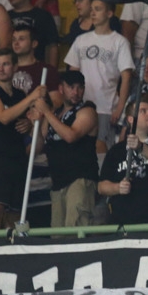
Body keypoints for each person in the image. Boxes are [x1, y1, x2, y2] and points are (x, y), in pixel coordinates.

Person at [0, 48, 42, 229]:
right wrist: (32, 98)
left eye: (5, 64)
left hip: (17, 158)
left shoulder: (20, 95)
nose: (1, 69)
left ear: (15, 67)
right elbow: (4, 116)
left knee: (15, 214)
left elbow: (22, 122)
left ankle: (13, 254)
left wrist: (29, 125)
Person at [29, 71, 100, 229]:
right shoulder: (55, 115)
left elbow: (71, 136)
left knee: (75, 230)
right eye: (71, 87)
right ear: (61, 89)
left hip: (80, 179)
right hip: (57, 183)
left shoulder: (87, 111)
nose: (76, 92)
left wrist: (46, 112)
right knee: (58, 236)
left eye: (80, 88)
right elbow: (39, 146)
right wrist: (39, 121)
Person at [64, 0, 134, 152]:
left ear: (109, 13)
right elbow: (72, 74)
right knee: (79, 150)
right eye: (92, 9)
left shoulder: (119, 42)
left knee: (101, 150)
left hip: (106, 107)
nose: (93, 12)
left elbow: (126, 77)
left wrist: (120, 108)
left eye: (98, 9)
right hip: (80, 105)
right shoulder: (81, 40)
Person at [98, 95, 148, 226]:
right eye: (143, 111)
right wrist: (118, 188)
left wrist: (141, 147)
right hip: (124, 222)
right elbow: (102, 186)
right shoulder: (116, 150)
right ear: (130, 119)